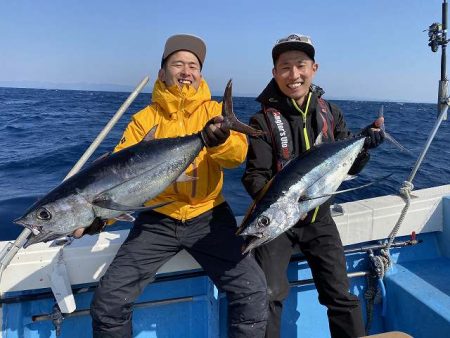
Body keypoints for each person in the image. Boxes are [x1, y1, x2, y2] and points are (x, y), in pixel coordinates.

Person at [82, 34, 268, 337]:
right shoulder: (143, 120)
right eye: (177, 64)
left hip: (209, 215)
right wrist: (100, 217)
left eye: (193, 65)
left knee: (254, 292)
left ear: (200, 74)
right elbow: (119, 177)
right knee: (108, 303)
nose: (186, 71)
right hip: (158, 218)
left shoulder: (214, 113)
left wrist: (219, 142)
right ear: (161, 72)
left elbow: (237, 156)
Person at [241, 34, 384, 338]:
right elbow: (255, 175)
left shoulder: (331, 113)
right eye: (285, 67)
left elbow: (351, 170)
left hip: (320, 220)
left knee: (341, 296)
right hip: (279, 224)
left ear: (314, 68)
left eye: (301, 66)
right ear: (274, 73)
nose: (294, 75)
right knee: (268, 296)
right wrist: (278, 205)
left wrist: (365, 146)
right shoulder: (261, 120)